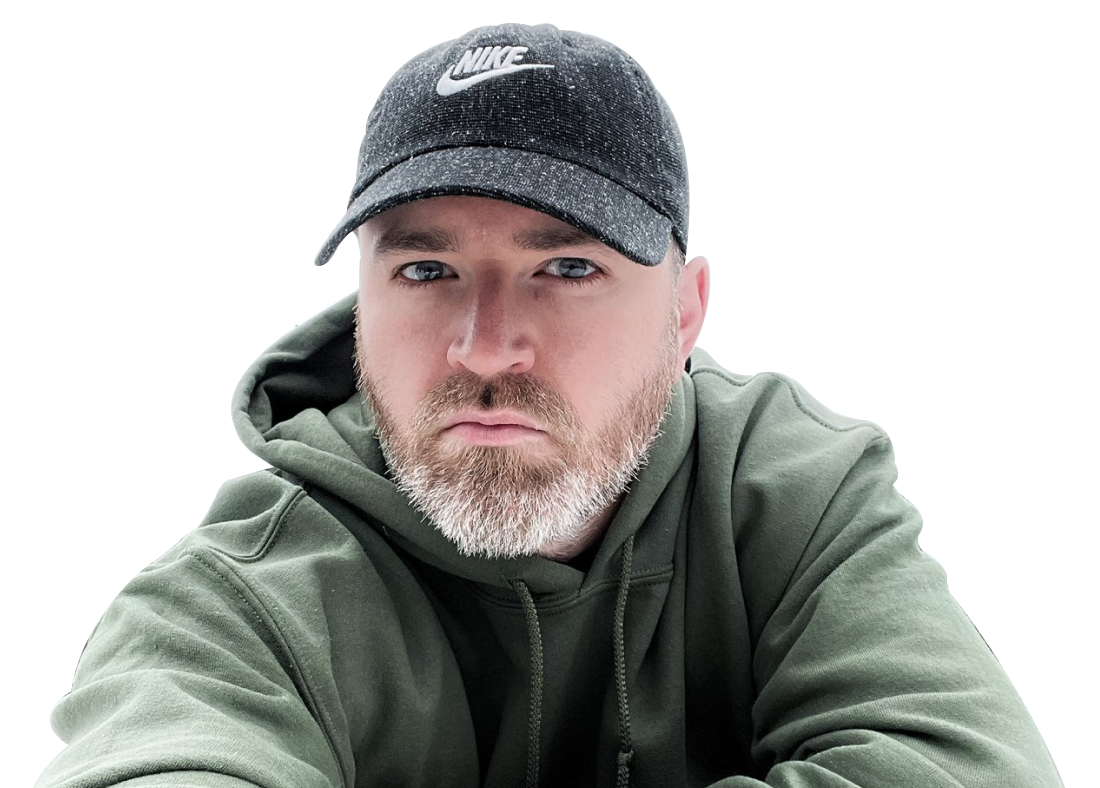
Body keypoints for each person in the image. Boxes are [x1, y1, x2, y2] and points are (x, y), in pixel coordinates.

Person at [37, 23, 1062, 788]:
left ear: (685, 312)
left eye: (567, 267)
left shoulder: (792, 488)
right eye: (426, 269)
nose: (485, 345)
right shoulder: (237, 596)